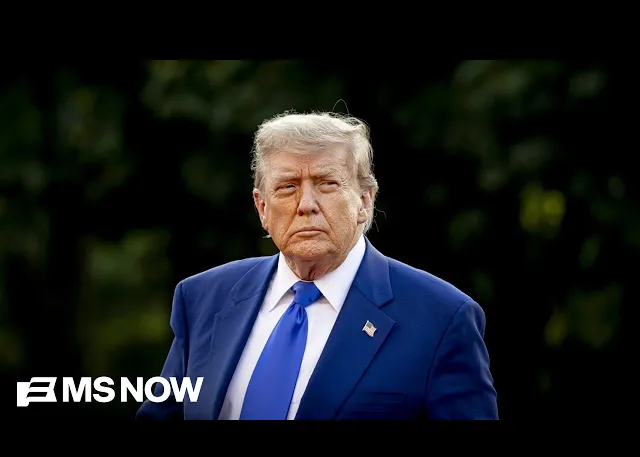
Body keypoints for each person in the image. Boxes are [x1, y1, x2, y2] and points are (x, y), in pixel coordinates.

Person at [136, 111, 498, 420]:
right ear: (262, 208)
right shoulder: (203, 298)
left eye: (326, 183)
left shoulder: (441, 318)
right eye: (287, 187)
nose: (306, 204)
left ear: (364, 201)